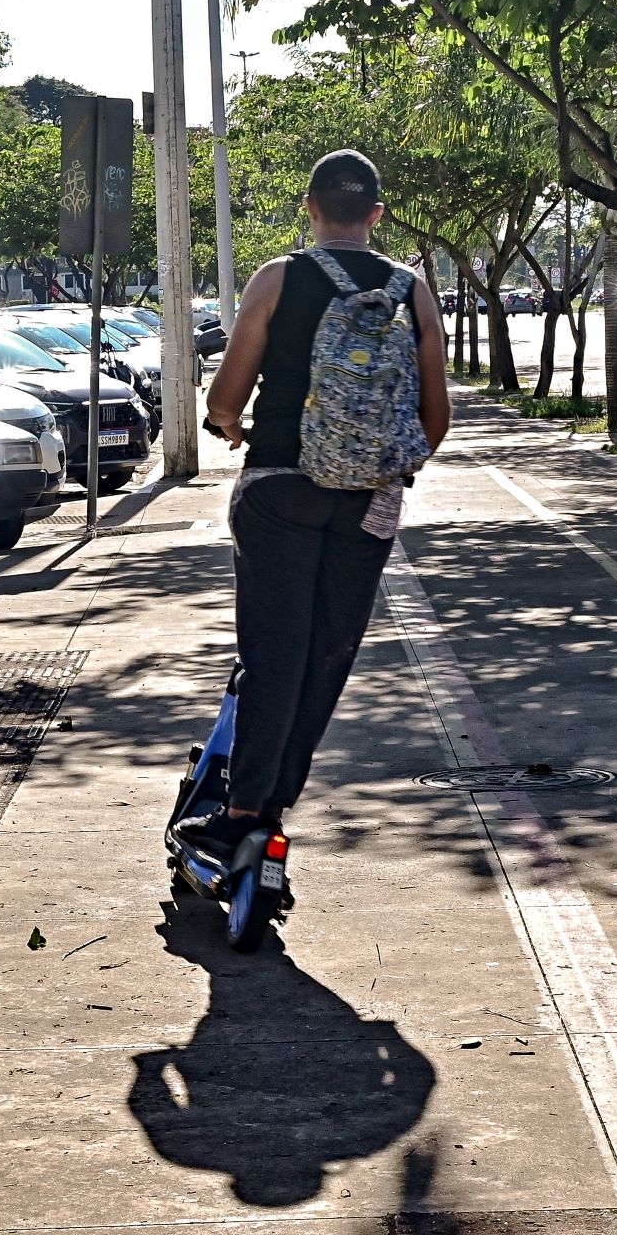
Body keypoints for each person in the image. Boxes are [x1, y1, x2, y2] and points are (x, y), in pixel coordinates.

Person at [176, 150, 449, 856]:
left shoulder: (279, 278)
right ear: (377, 216)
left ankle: (241, 815)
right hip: (370, 504)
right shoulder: (411, 289)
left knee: (275, 654)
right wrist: (383, 464)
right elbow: (435, 418)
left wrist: (231, 425)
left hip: (280, 488)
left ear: (311, 207)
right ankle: (275, 807)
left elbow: (226, 398)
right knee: (328, 655)